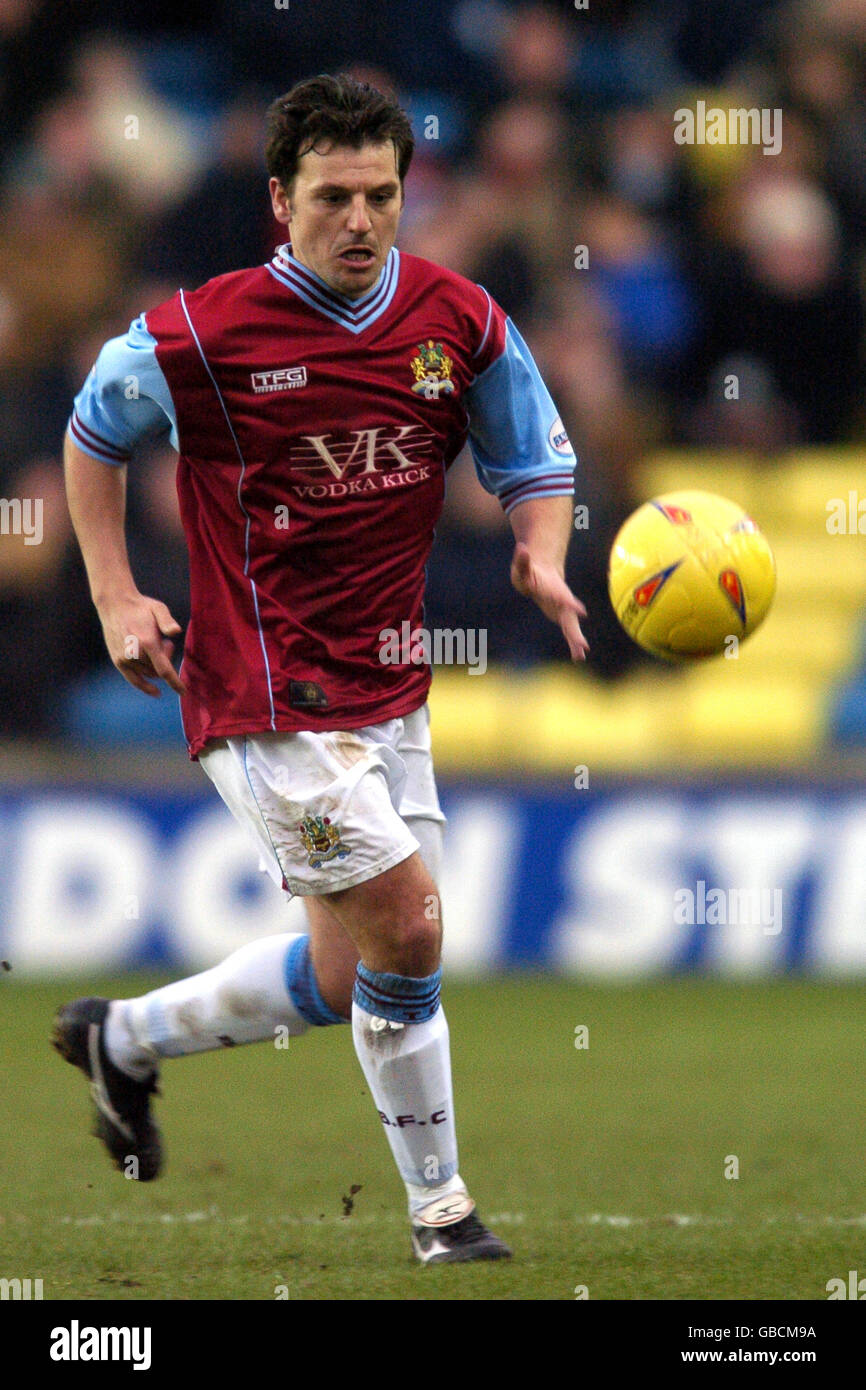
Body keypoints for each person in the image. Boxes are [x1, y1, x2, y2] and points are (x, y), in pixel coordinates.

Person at [53, 73, 588, 1265]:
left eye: (382, 195)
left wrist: (540, 558)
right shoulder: (200, 333)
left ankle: (124, 1038)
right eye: (334, 197)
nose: (360, 220)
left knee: (356, 975)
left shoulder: (457, 321)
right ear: (280, 201)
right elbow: (92, 431)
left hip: (388, 692)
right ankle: (442, 1212)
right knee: (410, 927)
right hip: (259, 689)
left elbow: (533, 459)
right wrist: (113, 592)